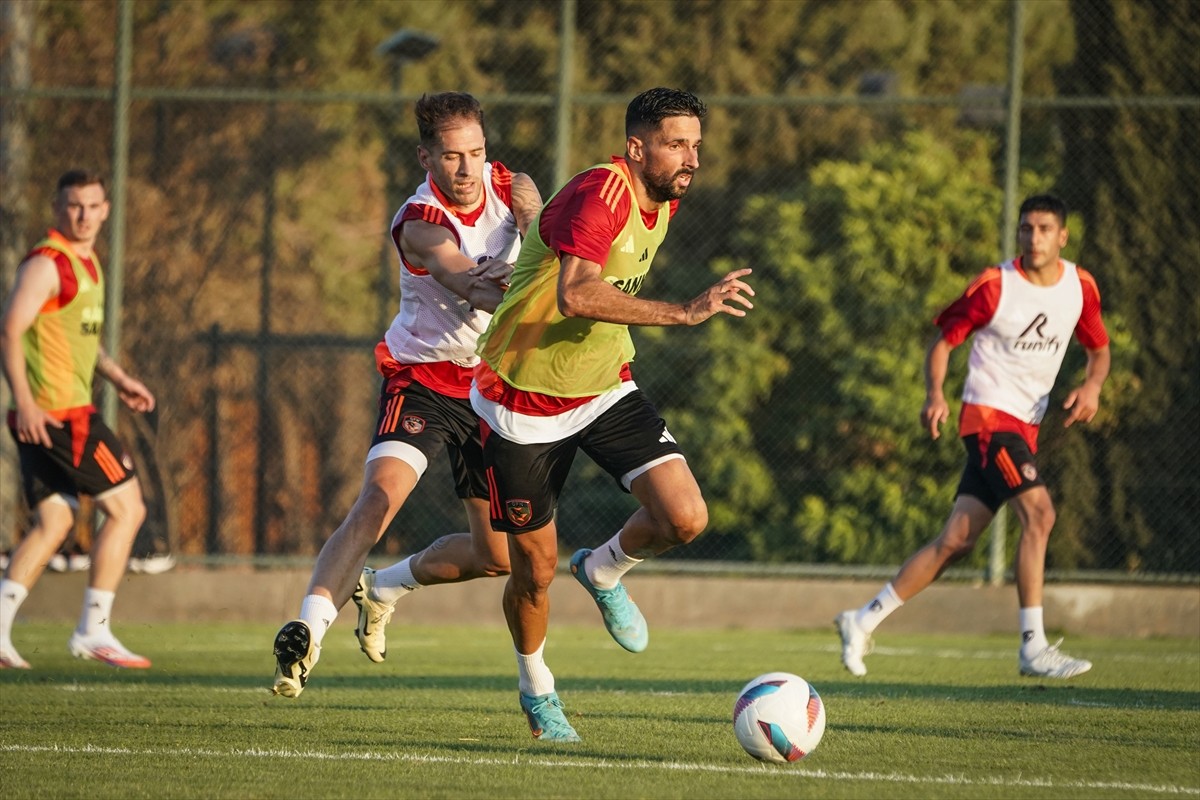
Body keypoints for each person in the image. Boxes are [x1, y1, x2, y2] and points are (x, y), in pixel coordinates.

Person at [471, 87, 755, 742]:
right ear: (637, 147)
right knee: (532, 575)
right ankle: (537, 688)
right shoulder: (603, 192)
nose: (691, 158)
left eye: (696, 146)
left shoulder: (666, 197)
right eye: (677, 144)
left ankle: (602, 568)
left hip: (603, 385)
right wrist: (683, 312)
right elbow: (575, 294)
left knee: (685, 517)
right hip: (522, 402)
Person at [271, 92, 543, 697]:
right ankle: (308, 631)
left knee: (498, 556)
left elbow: (541, 230)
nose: (467, 170)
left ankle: (383, 585)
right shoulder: (419, 221)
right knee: (379, 499)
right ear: (426, 157)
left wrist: (536, 225)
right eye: (452, 157)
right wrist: (539, 288)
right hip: (424, 378)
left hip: (491, 385)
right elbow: (469, 285)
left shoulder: (510, 184)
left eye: (475, 152)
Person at [836, 194, 1111, 680]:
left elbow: (1099, 348)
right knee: (1040, 513)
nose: (1034, 237)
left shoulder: (1080, 287)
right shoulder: (994, 285)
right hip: (988, 419)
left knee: (956, 541)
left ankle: (862, 619)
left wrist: (1092, 386)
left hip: (1024, 426)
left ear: (1063, 236)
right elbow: (944, 341)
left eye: (1045, 228)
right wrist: (934, 394)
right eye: (1027, 228)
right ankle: (1033, 646)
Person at [0, 169, 156, 670]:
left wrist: (116, 377)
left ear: (106, 209)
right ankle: (94, 630)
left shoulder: (86, 263)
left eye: (92, 206)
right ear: (55, 207)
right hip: (60, 417)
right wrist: (23, 400)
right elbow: (9, 331)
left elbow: (79, 342)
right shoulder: (47, 264)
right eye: (73, 205)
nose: (83, 215)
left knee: (55, 520)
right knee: (127, 509)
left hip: (56, 414)